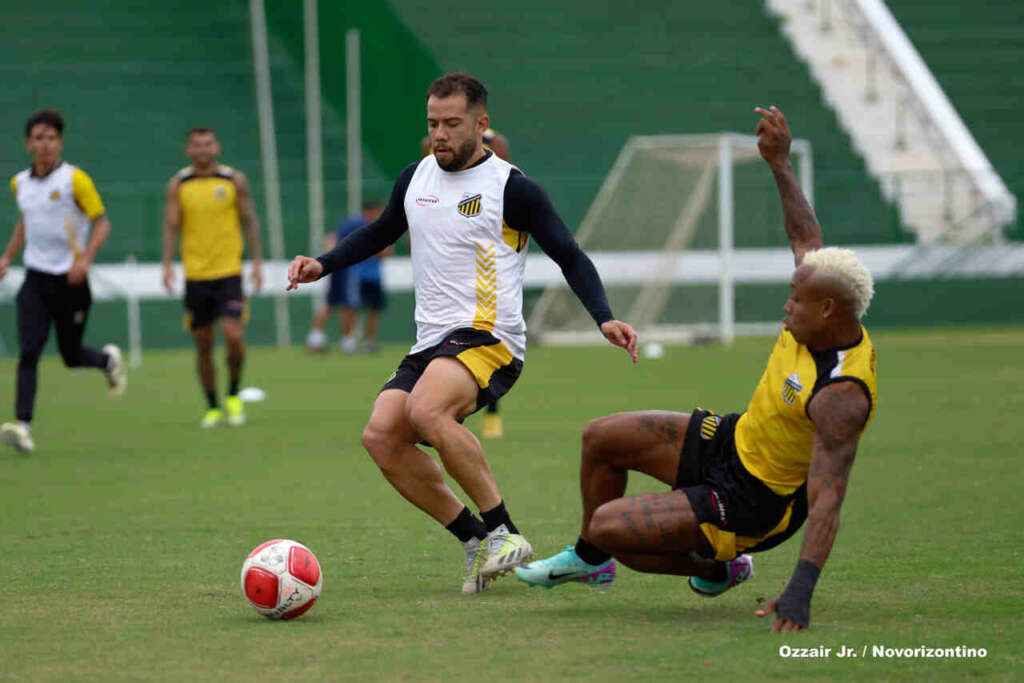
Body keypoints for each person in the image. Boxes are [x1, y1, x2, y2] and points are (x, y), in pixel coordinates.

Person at [516, 106, 877, 634]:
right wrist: (779, 163)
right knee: (601, 438)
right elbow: (805, 235)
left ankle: (717, 567)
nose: (786, 306)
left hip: (755, 501)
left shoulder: (841, 394)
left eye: (795, 301)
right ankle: (591, 562)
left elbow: (827, 498)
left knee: (610, 526)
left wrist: (800, 590)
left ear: (827, 310)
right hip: (732, 440)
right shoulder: (821, 297)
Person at [287, 73, 638, 594]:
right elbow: (382, 230)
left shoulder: (512, 188)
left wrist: (602, 315)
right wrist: (324, 263)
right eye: (433, 123)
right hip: (431, 342)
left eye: (452, 123)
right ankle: (475, 538)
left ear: (481, 123)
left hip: (489, 336)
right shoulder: (415, 178)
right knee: (381, 436)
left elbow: (569, 254)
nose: (440, 134)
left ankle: (504, 531)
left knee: (427, 411)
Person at [0, 110, 126, 453]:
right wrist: (7, 256)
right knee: (29, 350)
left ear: (60, 143)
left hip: (71, 283)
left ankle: (107, 362)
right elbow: (26, 223)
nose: (45, 144)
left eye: (51, 138)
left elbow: (102, 224)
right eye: (38, 138)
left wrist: (84, 261)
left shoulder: (75, 180)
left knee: (71, 355)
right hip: (35, 281)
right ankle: (22, 427)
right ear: (28, 144)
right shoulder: (20, 183)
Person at [161, 127, 263, 428]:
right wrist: (167, 264)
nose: (202, 149)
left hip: (229, 272)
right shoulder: (179, 183)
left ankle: (233, 394)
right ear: (188, 150)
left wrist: (257, 262)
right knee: (203, 344)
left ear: (216, 147)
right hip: (196, 276)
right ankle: (212, 406)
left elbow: (249, 220)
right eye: (197, 144)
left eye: (207, 144)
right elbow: (171, 225)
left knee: (234, 337)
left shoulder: (233, 180)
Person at [423, 127, 510, 439]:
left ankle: (490, 414)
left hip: (486, 286)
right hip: (443, 283)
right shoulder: (431, 179)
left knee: (485, 355)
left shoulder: (500, 181)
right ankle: (444, 414)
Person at [306, 201, 389, 354]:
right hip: (347, 271)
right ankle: (341, 340)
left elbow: (385, 252)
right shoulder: (355, 224)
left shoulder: (375, 225)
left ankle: (328, 339)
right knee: (346, 305)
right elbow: (332, 240)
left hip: (349, 270)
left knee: (346, 305)